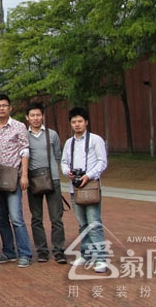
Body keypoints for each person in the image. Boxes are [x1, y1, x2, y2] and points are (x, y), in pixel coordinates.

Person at [61, 107, 108, 273]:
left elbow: (102, 162)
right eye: (74, 122)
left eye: (80, 121)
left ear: (86, 122)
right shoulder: (69, 142)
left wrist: (89, 175)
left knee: (94, 223)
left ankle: (101, 258)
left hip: (92, 187)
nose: (77, 125)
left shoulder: (96, 140)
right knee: (82, 224)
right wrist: (69, 172)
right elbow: (64, 162)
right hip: (75, 189)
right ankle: (86, 254)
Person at [0, 93, 33, 267]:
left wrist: (24, 176)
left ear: (10, 108)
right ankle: (9, 252)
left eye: (4, 105)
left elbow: (24, 151)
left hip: (14, 177)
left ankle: (25, 253)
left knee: (16, 217)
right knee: (1, 218)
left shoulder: (19, 126)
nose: (1, 108)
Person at [25, 102, 67, 264]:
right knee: (36, 218)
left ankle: (58, 250)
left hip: (52, 179)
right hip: (33, 181)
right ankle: (42, 251)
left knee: (56, 217)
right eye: (32, 115)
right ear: (27, 117)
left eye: (38, 115)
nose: (36, 118)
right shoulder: (24, 136)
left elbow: (57, 155)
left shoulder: (52, 134)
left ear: (43, 116)